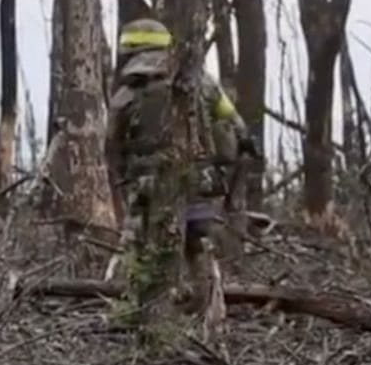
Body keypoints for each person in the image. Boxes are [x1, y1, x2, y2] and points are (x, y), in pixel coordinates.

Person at [105, 18, 260, 324]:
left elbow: (112, 144)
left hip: (147, 185)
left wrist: (124, 175)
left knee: (139, 246)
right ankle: (211, 315)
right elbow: (237, 127)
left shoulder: (127, 93)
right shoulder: (201, 81)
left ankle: (135, 313)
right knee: (199, 244)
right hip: (200, 180)